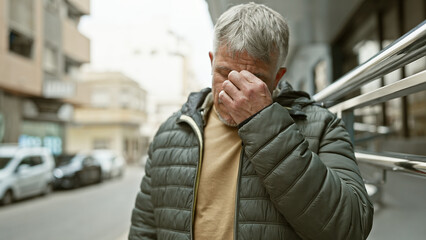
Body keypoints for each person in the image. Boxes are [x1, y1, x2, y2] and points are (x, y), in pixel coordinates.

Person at [129, 2, 373, 240]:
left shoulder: (322, 127)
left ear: (277, 78)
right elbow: (144, 230)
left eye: (253, 78)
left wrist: (263, 123)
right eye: (224, 73)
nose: (234, 88)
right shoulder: (170, 133)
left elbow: (351, 228)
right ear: (211, 62)